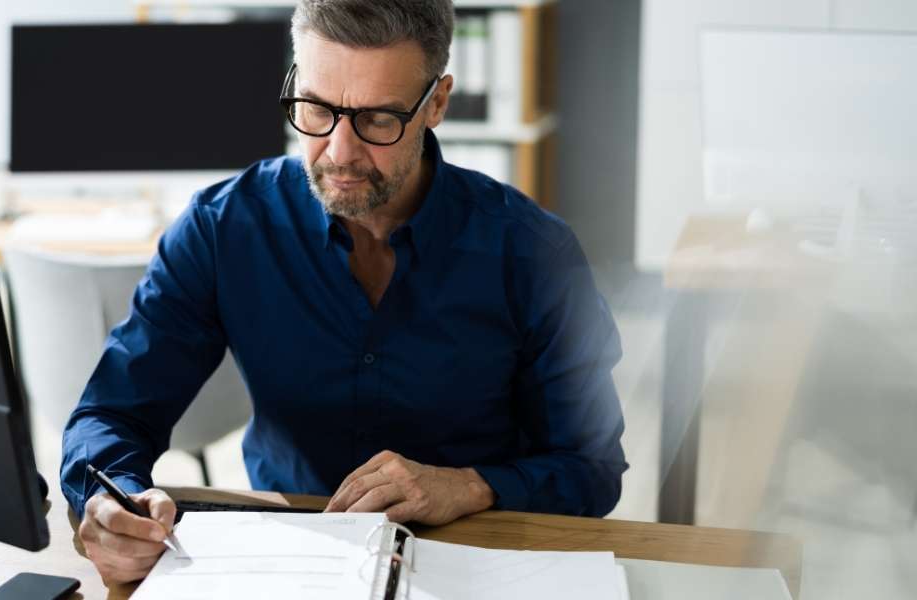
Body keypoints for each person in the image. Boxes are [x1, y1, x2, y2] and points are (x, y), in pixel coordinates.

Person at [61, 0, 627, 585]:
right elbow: (111, 413)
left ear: (436, 102)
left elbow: (592, 468)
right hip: (284, 561)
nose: (339, 153)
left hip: (476, 557)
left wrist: (469, 485)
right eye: (315, 108)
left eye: (379, 119)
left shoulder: (534, 251)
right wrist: (109, 501)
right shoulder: (222, 227)